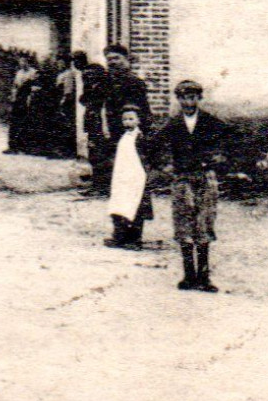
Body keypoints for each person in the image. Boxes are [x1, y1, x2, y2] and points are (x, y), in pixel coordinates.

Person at [148, 80, 228, 293]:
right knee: (184, 222)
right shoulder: (173, 124)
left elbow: (232, 139)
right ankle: (188, 275)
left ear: (199, 98)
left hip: (205, 177)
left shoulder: (211, 122)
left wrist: (219, 159)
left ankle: (204, 277)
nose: (188, 101)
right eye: (183, 97)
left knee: (204, 221)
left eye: (192, 97)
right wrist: (165, 166)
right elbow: (152, 146)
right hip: (182, 178)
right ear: (178, 99)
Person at [82, 44, 149, 197]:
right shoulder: (105, 81)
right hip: (106, 124)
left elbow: (143, 109)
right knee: (100, 154)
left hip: (125, 125)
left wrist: (140, 127)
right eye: (109, 59)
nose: (112, 62)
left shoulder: (134, 82)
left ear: (126, 59)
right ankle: (100, 186)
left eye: (116, 58)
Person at [104, 107, 153, 248]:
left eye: (131, 119)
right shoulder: (123, 138)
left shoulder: (140, 138)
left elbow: (146, 158)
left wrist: (145, 174)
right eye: (124, 119)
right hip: (122, 178)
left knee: (135, 207)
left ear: (138, 121)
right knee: (119, 206)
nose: (127, 122)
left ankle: (135, 240)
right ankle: (119, 237)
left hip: (135, 178)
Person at [5, 56, 38, 154]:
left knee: (25, 122)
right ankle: (12, 146)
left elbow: (35, 87)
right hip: (18, 99)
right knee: (14, 122)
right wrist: (12, 96)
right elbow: (15, 86)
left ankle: (24, 147)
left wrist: (30, 97)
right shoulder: (19, 73)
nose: (22, 64)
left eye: (24, 61)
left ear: (28, 62)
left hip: (27, 99)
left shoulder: (33, 73)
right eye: (20, 62)